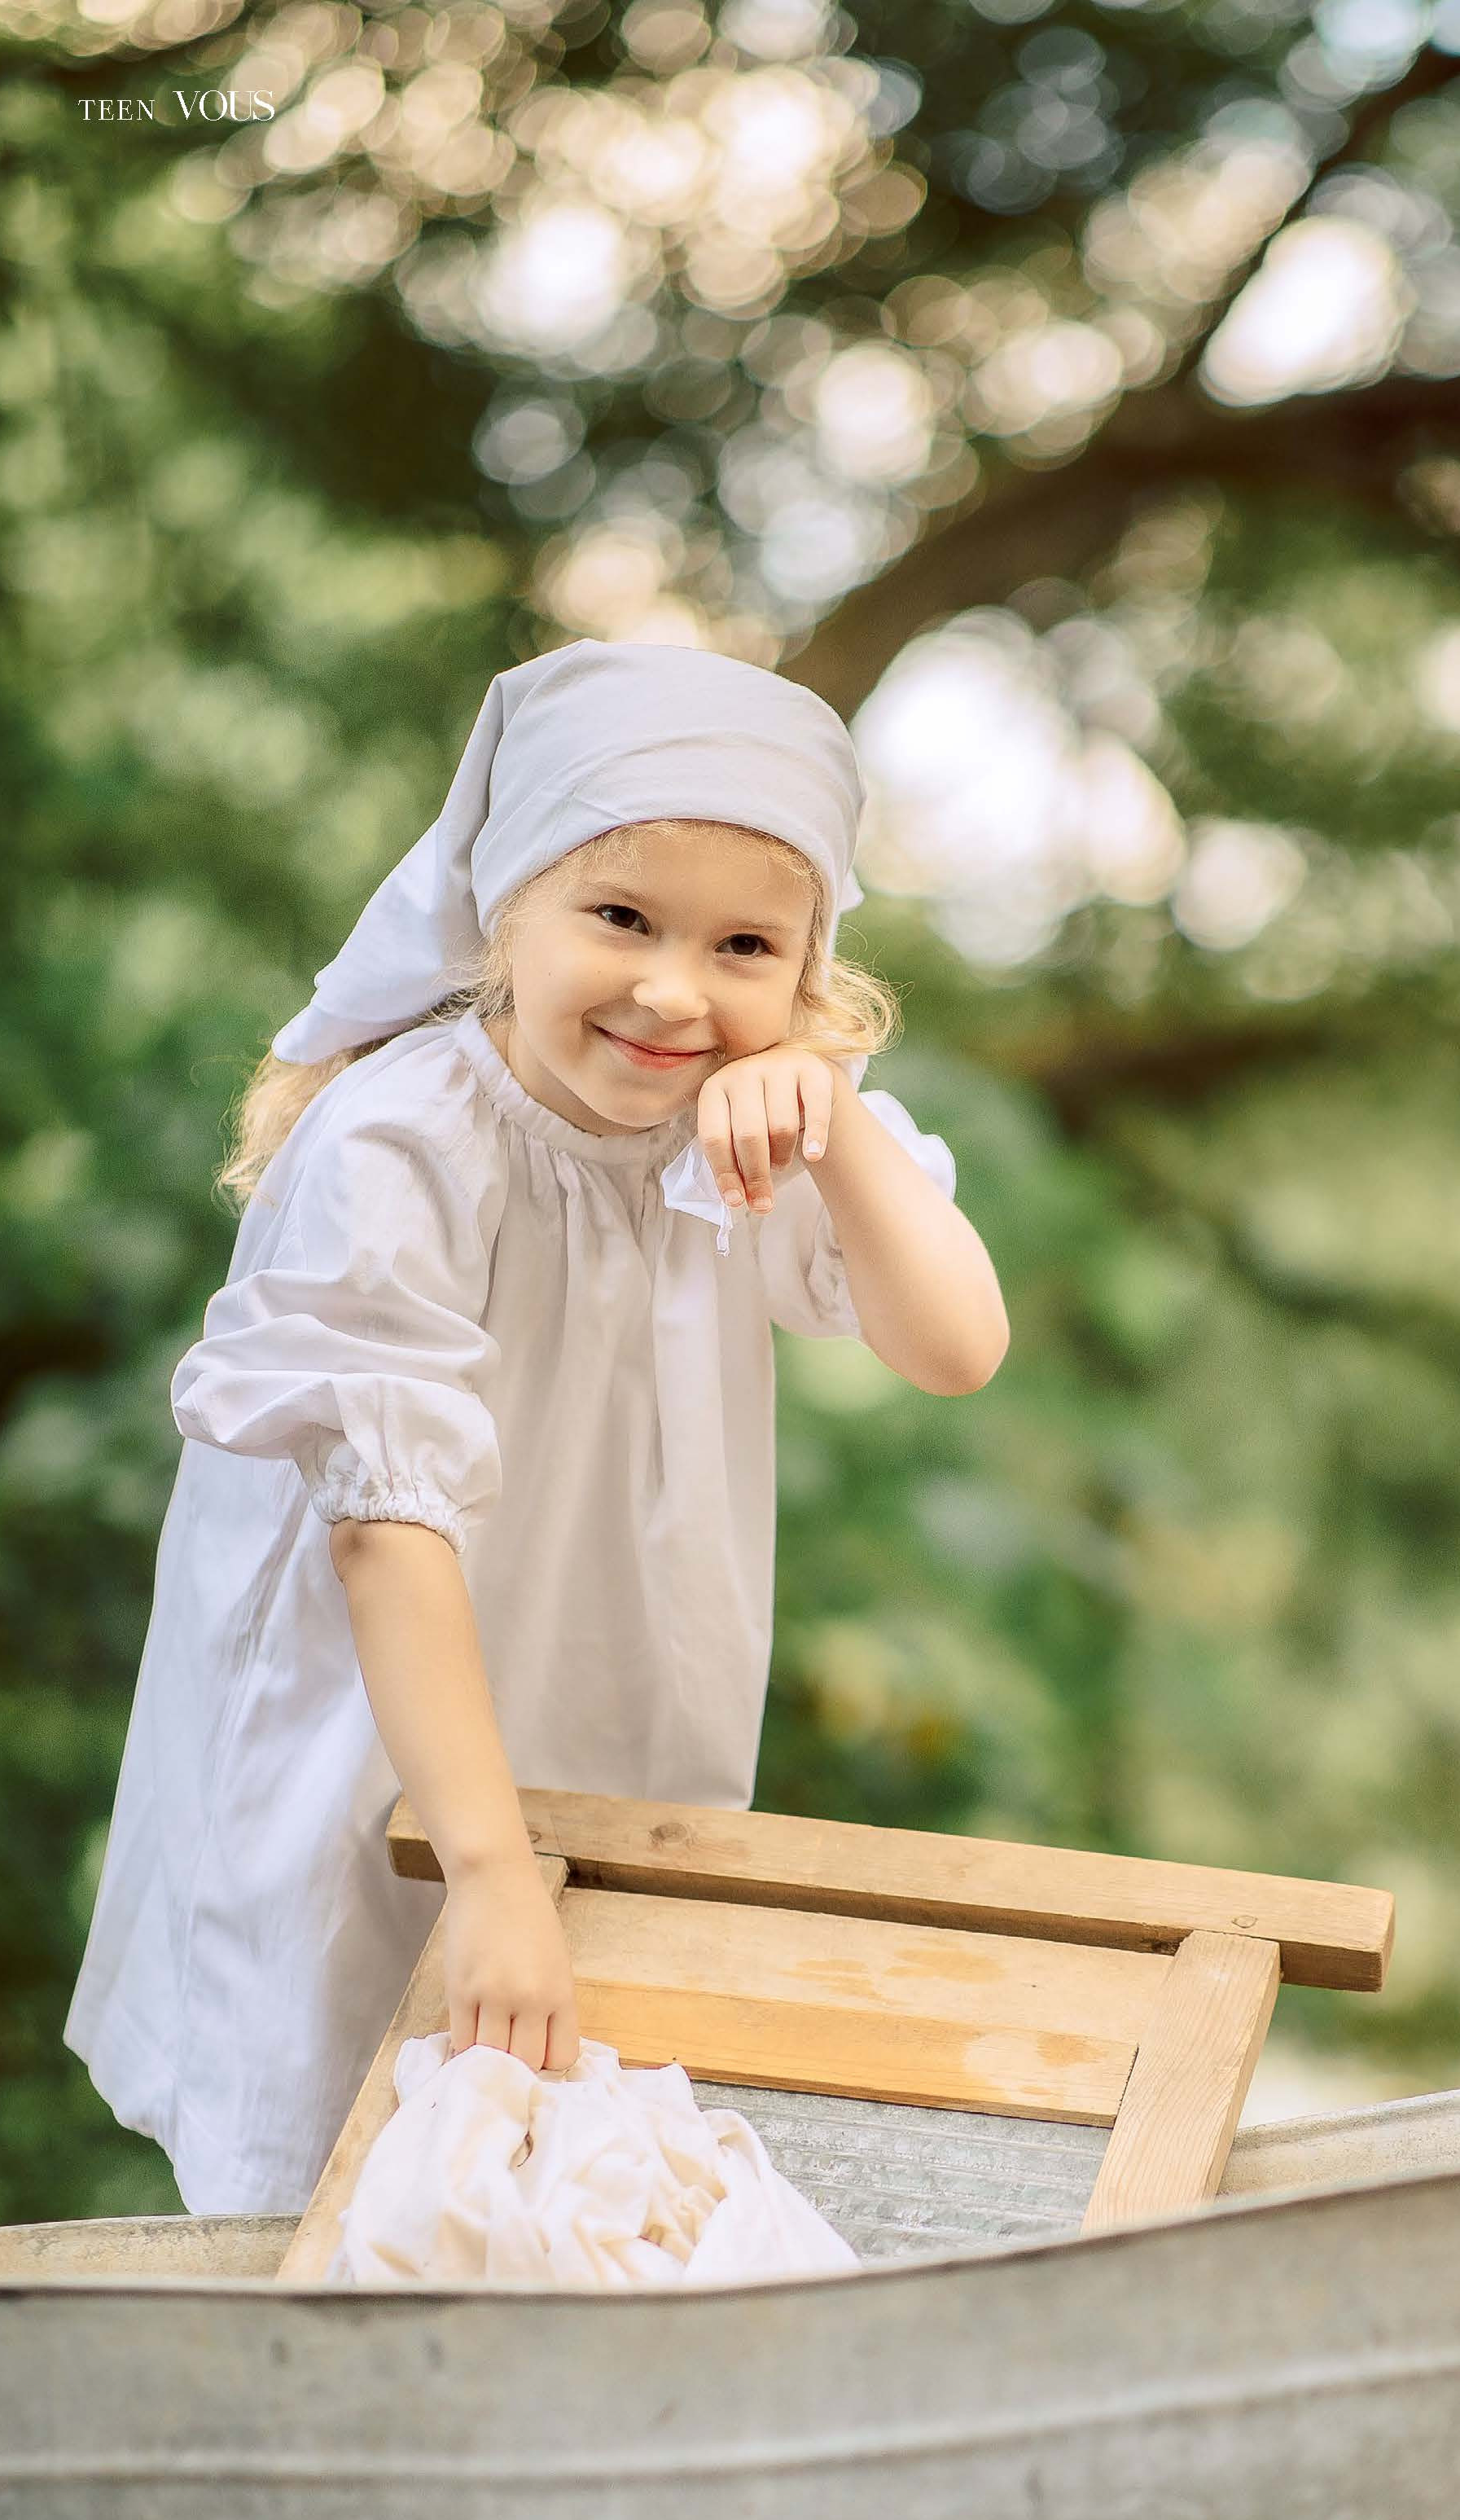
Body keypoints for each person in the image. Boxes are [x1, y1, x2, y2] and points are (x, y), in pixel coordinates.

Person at [64, 640, 1009, 2216]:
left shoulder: (745, 1135)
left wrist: (837, 1127)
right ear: (511, 907)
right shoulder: (407, 1143)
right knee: (342, 2178)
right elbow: (383, 1528)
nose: (672, 988)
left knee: (547, 2201)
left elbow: (957, 1346)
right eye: (621, 916)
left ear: (803, 974)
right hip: (381, 1761)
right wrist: (489, 1875)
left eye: (746, 945)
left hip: (608, 1764)